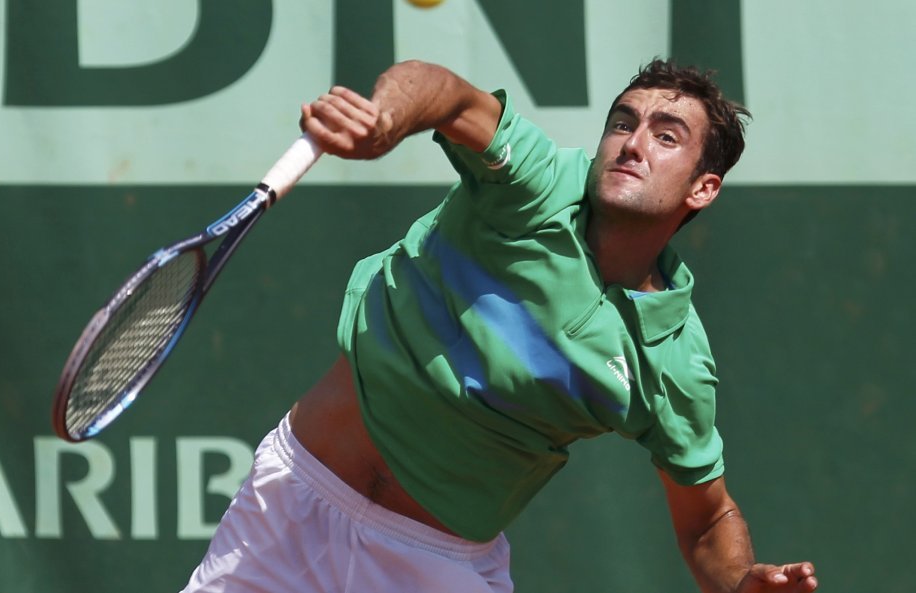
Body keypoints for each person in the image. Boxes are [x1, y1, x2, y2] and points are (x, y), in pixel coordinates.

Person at [181, 59, 819, 593]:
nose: (633, 142)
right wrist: (385, 119)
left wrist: (738, 582)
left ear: (703, 189)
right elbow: (444, 93)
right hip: (288, 504)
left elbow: (706, 522)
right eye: (623, 122)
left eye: (666, 135)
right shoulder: (534, 185)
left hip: (431, 568)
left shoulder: (673, 358)